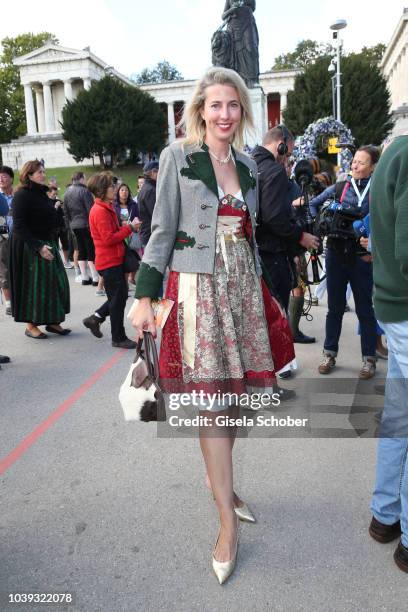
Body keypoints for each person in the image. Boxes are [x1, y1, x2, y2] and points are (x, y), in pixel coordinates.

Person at [130, 67, 295, 584]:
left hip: (242, 288)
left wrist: (267, 294)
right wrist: (144, 297)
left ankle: (217, 477)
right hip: (198, 288)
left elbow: (249, 234)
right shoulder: (178, 157)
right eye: (215, 105)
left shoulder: (248, 164)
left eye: (233, 106)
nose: (224, 115)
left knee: (240, 399)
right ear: (200, 110)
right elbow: (161, 231)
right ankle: (227, 520)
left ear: (242, 112)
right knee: (212, 405)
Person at [369, 134, 408, 573]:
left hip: (395, 308)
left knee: (399, 415)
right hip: (403, 307)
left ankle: (385, 515)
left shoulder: (396, 149)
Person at [309, 145, 380, 379]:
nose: (355, 165)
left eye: (361, 162)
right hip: (336, 253)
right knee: (335, 309)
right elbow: (314, 204)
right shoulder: (340, 187)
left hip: (363, 257)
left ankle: (369, 359)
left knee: (365, 310)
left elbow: (386, 219)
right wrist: (319, 224)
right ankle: (329, 354)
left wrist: (373, 241)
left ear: (372, 167)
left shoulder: (377, 189)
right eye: (354, 161)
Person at [252, 125, 319, 312]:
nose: (286, 160)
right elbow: (274, 217)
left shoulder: (247, 165)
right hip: (272, 255)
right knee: (275, 317)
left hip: (253, 251)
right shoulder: (274, 170)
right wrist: (300, 236)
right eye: (288, 154)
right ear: (281, 145)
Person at [9, 160, 70, 339]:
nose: (43, 175)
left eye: (43, 171)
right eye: (39, 172)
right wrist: (38, 247)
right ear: (29, 175)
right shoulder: (22, 195)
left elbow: (51, 220)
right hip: (28, 246)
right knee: (33, 287)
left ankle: (52, 321)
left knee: (56, 283)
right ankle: (30, 325)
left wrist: (56, 209)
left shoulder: (43, 194)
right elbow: (19, 225)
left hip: (47, 241)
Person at [82, 172, 139, 349]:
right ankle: (118, 337)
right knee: (118, 299)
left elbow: (110, 233)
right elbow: (108, 239)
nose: (114, 189)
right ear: (101, 190)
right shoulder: (100, 211)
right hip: (109, 261)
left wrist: (123, 226)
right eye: (110, 187)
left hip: (113, 260)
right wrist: (129, 228)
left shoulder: (105, 207)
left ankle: (96, 318)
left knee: (118, 297)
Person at [63, 172, 98, 285]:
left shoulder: (67, 192)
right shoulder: (85, 191)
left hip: (74, 225)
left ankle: (84, 277)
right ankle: (95, 277)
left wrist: (69, 226)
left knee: (81, 250)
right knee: (90, 250)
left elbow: (66, 212)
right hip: (86, 224)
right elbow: (91, 210)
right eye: (85, 178)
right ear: (81, 179)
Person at [221, 0, 259, 87]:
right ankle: (237, 80)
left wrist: (241, 4)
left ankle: (252, 80)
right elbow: (223, 16)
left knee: (250, 49)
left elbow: (253, 7)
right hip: (233, 27)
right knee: (236, 53)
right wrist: (232, 9)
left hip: (247, 22)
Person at [0, 165, 15, 316]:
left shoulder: (17, 196)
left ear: (11, 178)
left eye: (4, 176)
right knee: (4, 270)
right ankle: (9, 303)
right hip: (3, 237)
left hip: (18, 236)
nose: (1, 179)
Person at [138, 161, 159, 247]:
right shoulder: (150, 190)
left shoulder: (146, 187)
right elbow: (156, 214)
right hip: (151, 236)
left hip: (148, 235)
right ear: (153, 173)